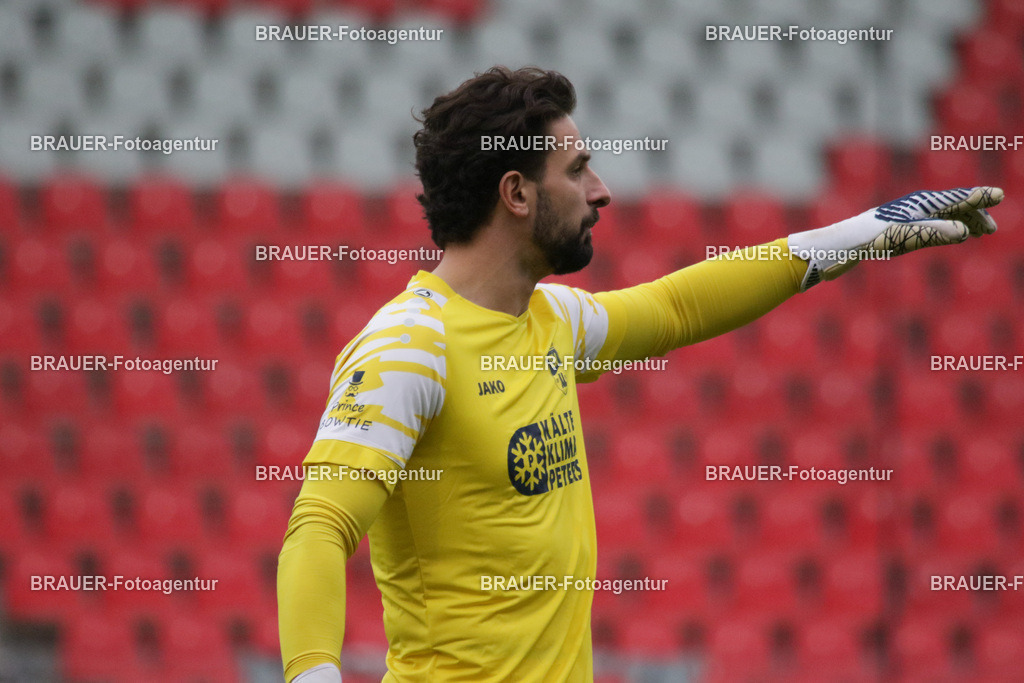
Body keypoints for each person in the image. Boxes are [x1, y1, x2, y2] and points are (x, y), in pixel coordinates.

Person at [276, 66, 1003, 682]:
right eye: (576, 170)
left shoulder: (551, 321)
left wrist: (866, 233)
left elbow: (679, 306)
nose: (601, 191)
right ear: (516, 194)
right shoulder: (409, 348)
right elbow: (319, 528)